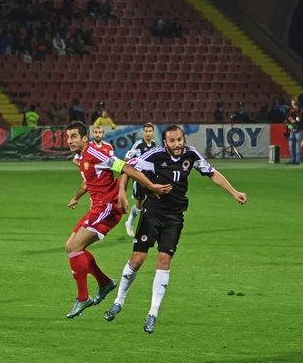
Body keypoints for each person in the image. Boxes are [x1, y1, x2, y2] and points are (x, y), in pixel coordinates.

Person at [104, 125, 247, 333]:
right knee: (137, 260)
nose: (177, 144)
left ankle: (153, 312)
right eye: (172, 141)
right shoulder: (154, 156)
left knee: (164, 261)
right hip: (152, 214)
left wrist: (233, 192)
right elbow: (125, 167)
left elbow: (212, 173)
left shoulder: (191, 155)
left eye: (180, 139)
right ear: (165, 143)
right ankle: (119, 301)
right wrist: (122, 194)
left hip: (174, 218)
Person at [64, 121, 172, 318]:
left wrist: (149, 186)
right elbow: (89, 181)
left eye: (74, 137)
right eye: (68, 137)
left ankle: (83, 298)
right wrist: (77, 197)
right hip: (96, 208)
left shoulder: (95, 154)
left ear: (84, 138)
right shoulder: (82, 157)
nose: (70, 141)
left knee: (75, 248)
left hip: (106, 208)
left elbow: (125, 167)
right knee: (70, 245)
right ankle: (104, 283)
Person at [124, 123, 157, 237]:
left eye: (150, 131)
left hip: (150, 178)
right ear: (143, 132)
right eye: (146, 131)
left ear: (153, 132)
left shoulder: (154, 144)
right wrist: (134, 170)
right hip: (139, 178)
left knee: (152, 201)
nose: (148, 133)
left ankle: (149, 226)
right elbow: (126, 159)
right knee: (140, 202)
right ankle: (129, 222)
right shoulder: (138, 144)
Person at [286, 100, 303, 165]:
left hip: (298, 130)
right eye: (294, 106)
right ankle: (292, 160)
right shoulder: (291, 112)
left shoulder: (301, 112)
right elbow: (288, 122)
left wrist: (292, 121)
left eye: (296, 106)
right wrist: (290, 128)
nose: (295, 107)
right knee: (291, 146)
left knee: (297, 146)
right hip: (292, 130)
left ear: (298, 106)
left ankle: (297, 161)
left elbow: (298, 121)